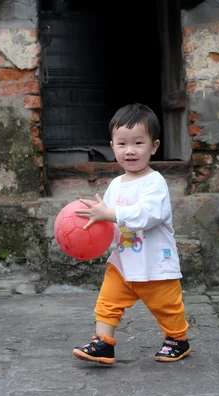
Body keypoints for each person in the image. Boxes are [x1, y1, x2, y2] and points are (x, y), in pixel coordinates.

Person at [71, 103, 190, 365]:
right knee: (107, 302)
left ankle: (178, 338)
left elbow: (148, 214)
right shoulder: (116, 184)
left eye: (138, 142)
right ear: (112, 147)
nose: (130, 151)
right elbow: (110, 222)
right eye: (122, 144)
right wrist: (92, 232)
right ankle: (103, 344)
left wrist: (110, 214)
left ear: (154, 146)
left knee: (167, 307)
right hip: (123, 262)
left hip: (154, 262)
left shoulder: (154, 182)